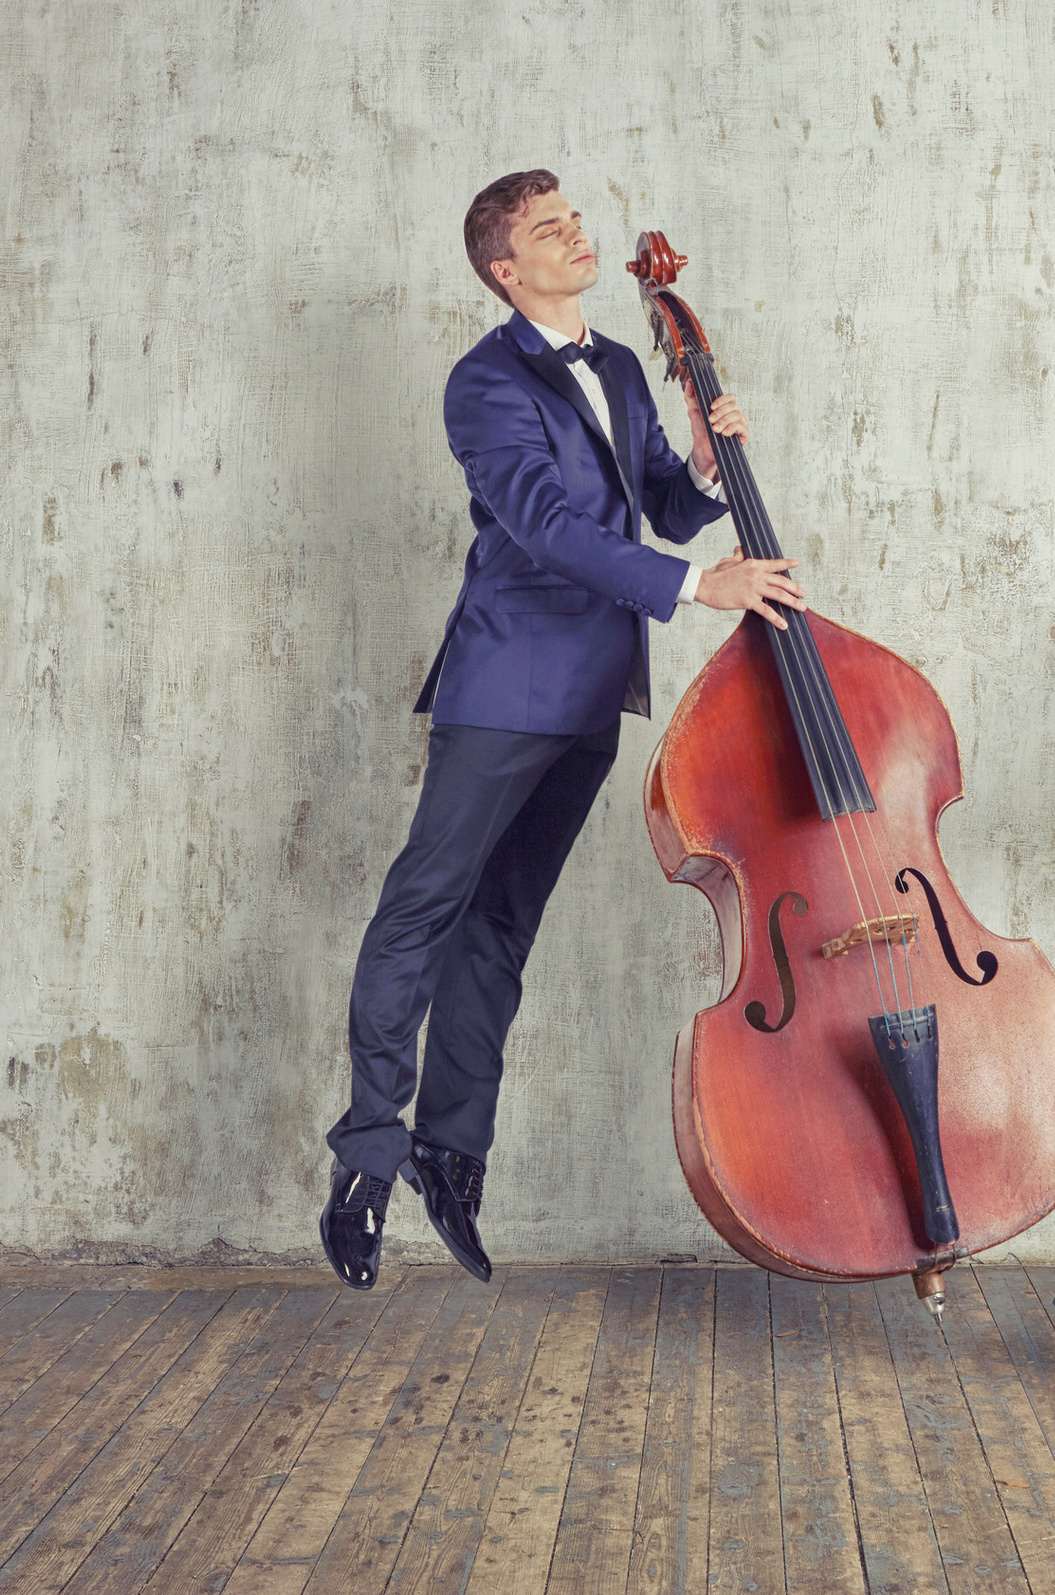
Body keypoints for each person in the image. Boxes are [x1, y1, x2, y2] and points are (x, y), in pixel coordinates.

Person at [319, 169, 806, 1290]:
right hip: (504, 687)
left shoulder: (626, 365)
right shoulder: (481, 384)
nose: (577, 238)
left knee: (501, 929)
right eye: (551, 232)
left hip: (592, 695)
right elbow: (540, 523)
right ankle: (366, 1160)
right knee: (422, 913)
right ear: (506, 269)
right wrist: (696, 589)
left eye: (575, 221)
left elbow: (658, 509)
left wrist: (696, 457)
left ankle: (452, 1154)